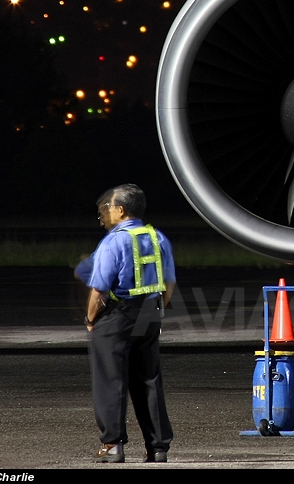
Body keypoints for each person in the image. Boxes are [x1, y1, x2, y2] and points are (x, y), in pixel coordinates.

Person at [76, 183, 176, 464]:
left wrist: (91, 319)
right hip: (150, 311)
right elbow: (168, 286)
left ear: (120, 210)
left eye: (106, 209)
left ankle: (113, 444)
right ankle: (158, 447)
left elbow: (98, 289)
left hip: (117, 314)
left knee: (111, 379)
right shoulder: (158, 238)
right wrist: (154, 310)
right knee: (149, 379)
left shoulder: (113, 241)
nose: (104, 215)